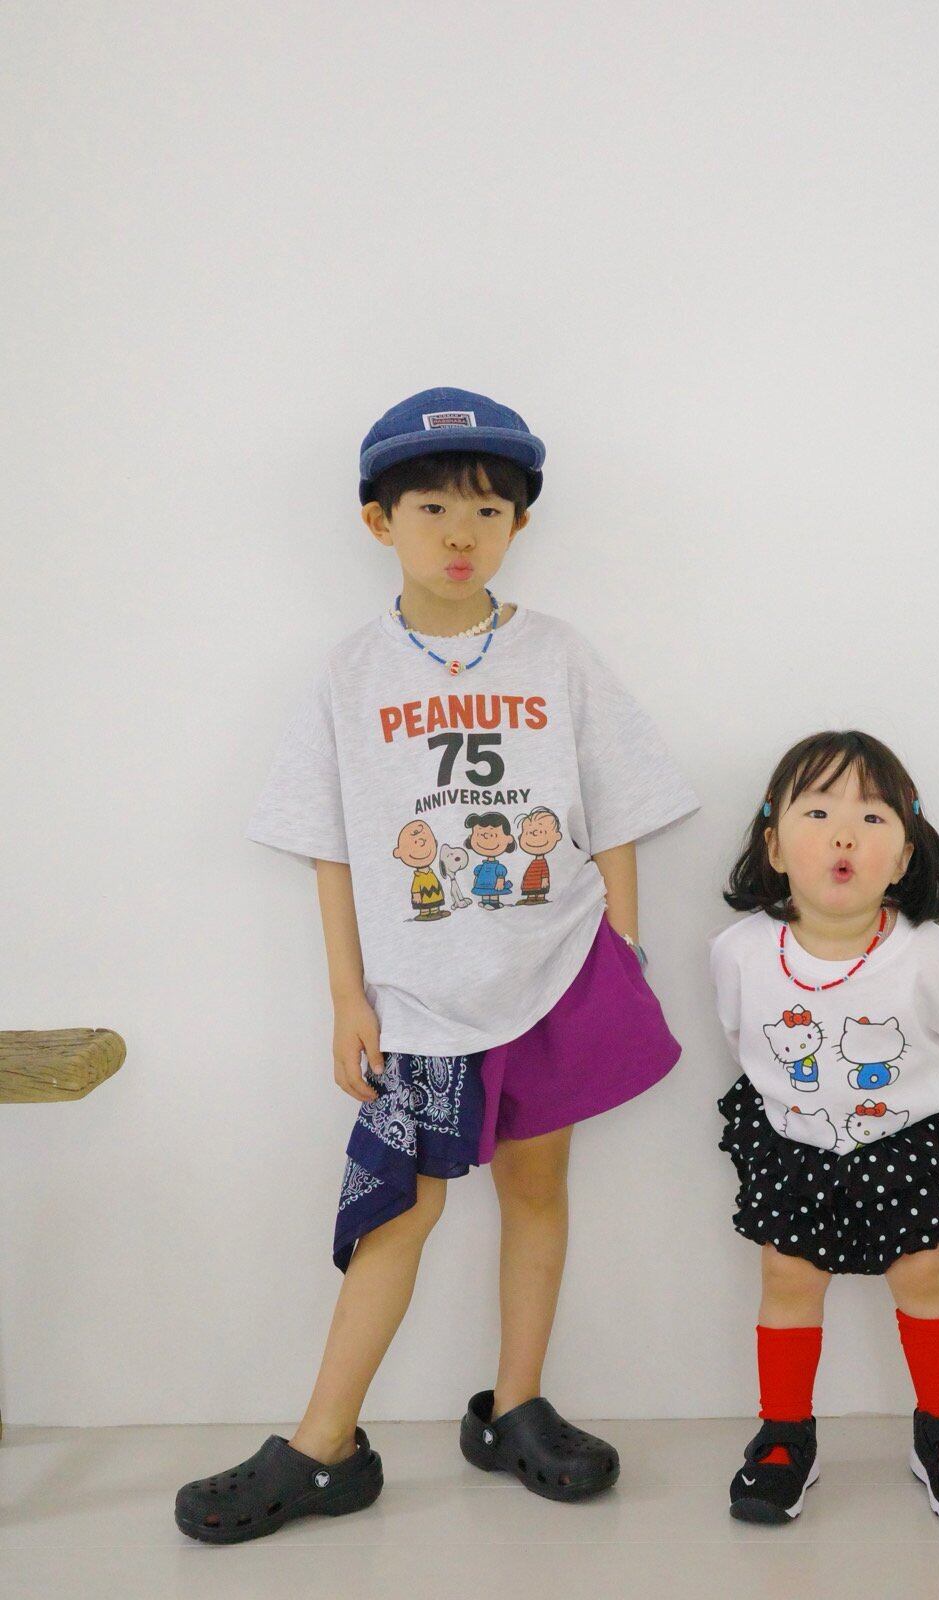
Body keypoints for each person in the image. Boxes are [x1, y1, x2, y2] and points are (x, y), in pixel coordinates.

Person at [174, 386, 699, 1543]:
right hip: (419, 996)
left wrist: (618, 943)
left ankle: (514, 1409)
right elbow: (328, 845)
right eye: (432, 508)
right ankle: (324, 1446)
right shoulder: (350, 673)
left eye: (487, 511)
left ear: (518, 523)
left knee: (537, 1187)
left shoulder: (557, 653)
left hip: (553, 968)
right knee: (397, 1211)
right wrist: (345, 996)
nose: (461, 534)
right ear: (379, 521)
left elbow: (614, 802)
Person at [709, 729, 939, 1525]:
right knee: (788, 1279)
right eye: (817, 813)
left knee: (926, 1275)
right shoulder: (739, 952)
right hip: (795, 1145)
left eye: (873, 818)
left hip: (908, 1145)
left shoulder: (934, 958)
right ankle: (784, 1437)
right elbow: (742, 1038)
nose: (844, 834)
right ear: (774, 847)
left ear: (904, 857)